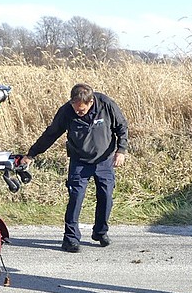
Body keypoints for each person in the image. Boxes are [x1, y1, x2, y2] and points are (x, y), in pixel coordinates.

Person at [21, 83, 128, 252]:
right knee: (76, 196)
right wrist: (32, 154)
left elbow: (121, 127)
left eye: (82, 110)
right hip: (80, 160)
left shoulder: (106, 105)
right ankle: (70, 238)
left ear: (91, 102)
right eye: (76, 108)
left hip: (104, 160)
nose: (79, 112)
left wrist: (121, 150)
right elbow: (51, 134)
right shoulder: (66, 111)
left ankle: (100, 232)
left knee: (106, 195)